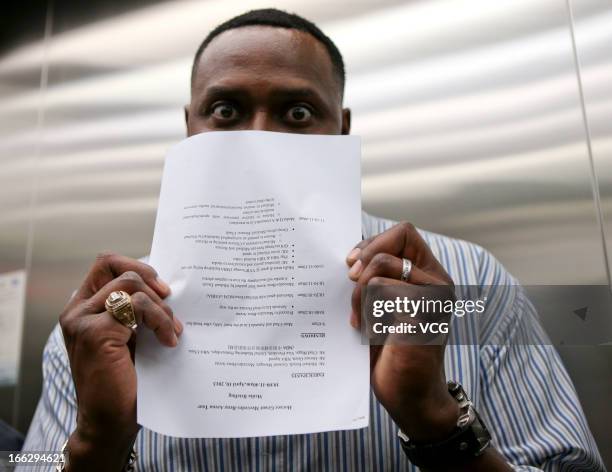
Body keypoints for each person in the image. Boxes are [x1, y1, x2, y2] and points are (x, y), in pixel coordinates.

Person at [20, 8, 604, 471]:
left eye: (298, 113)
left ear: (341, 130)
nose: (258, 141)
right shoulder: (107, 314)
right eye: (225, 110)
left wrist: (434, 418)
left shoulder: (463, 281)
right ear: (189, 126)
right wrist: (95, 445)